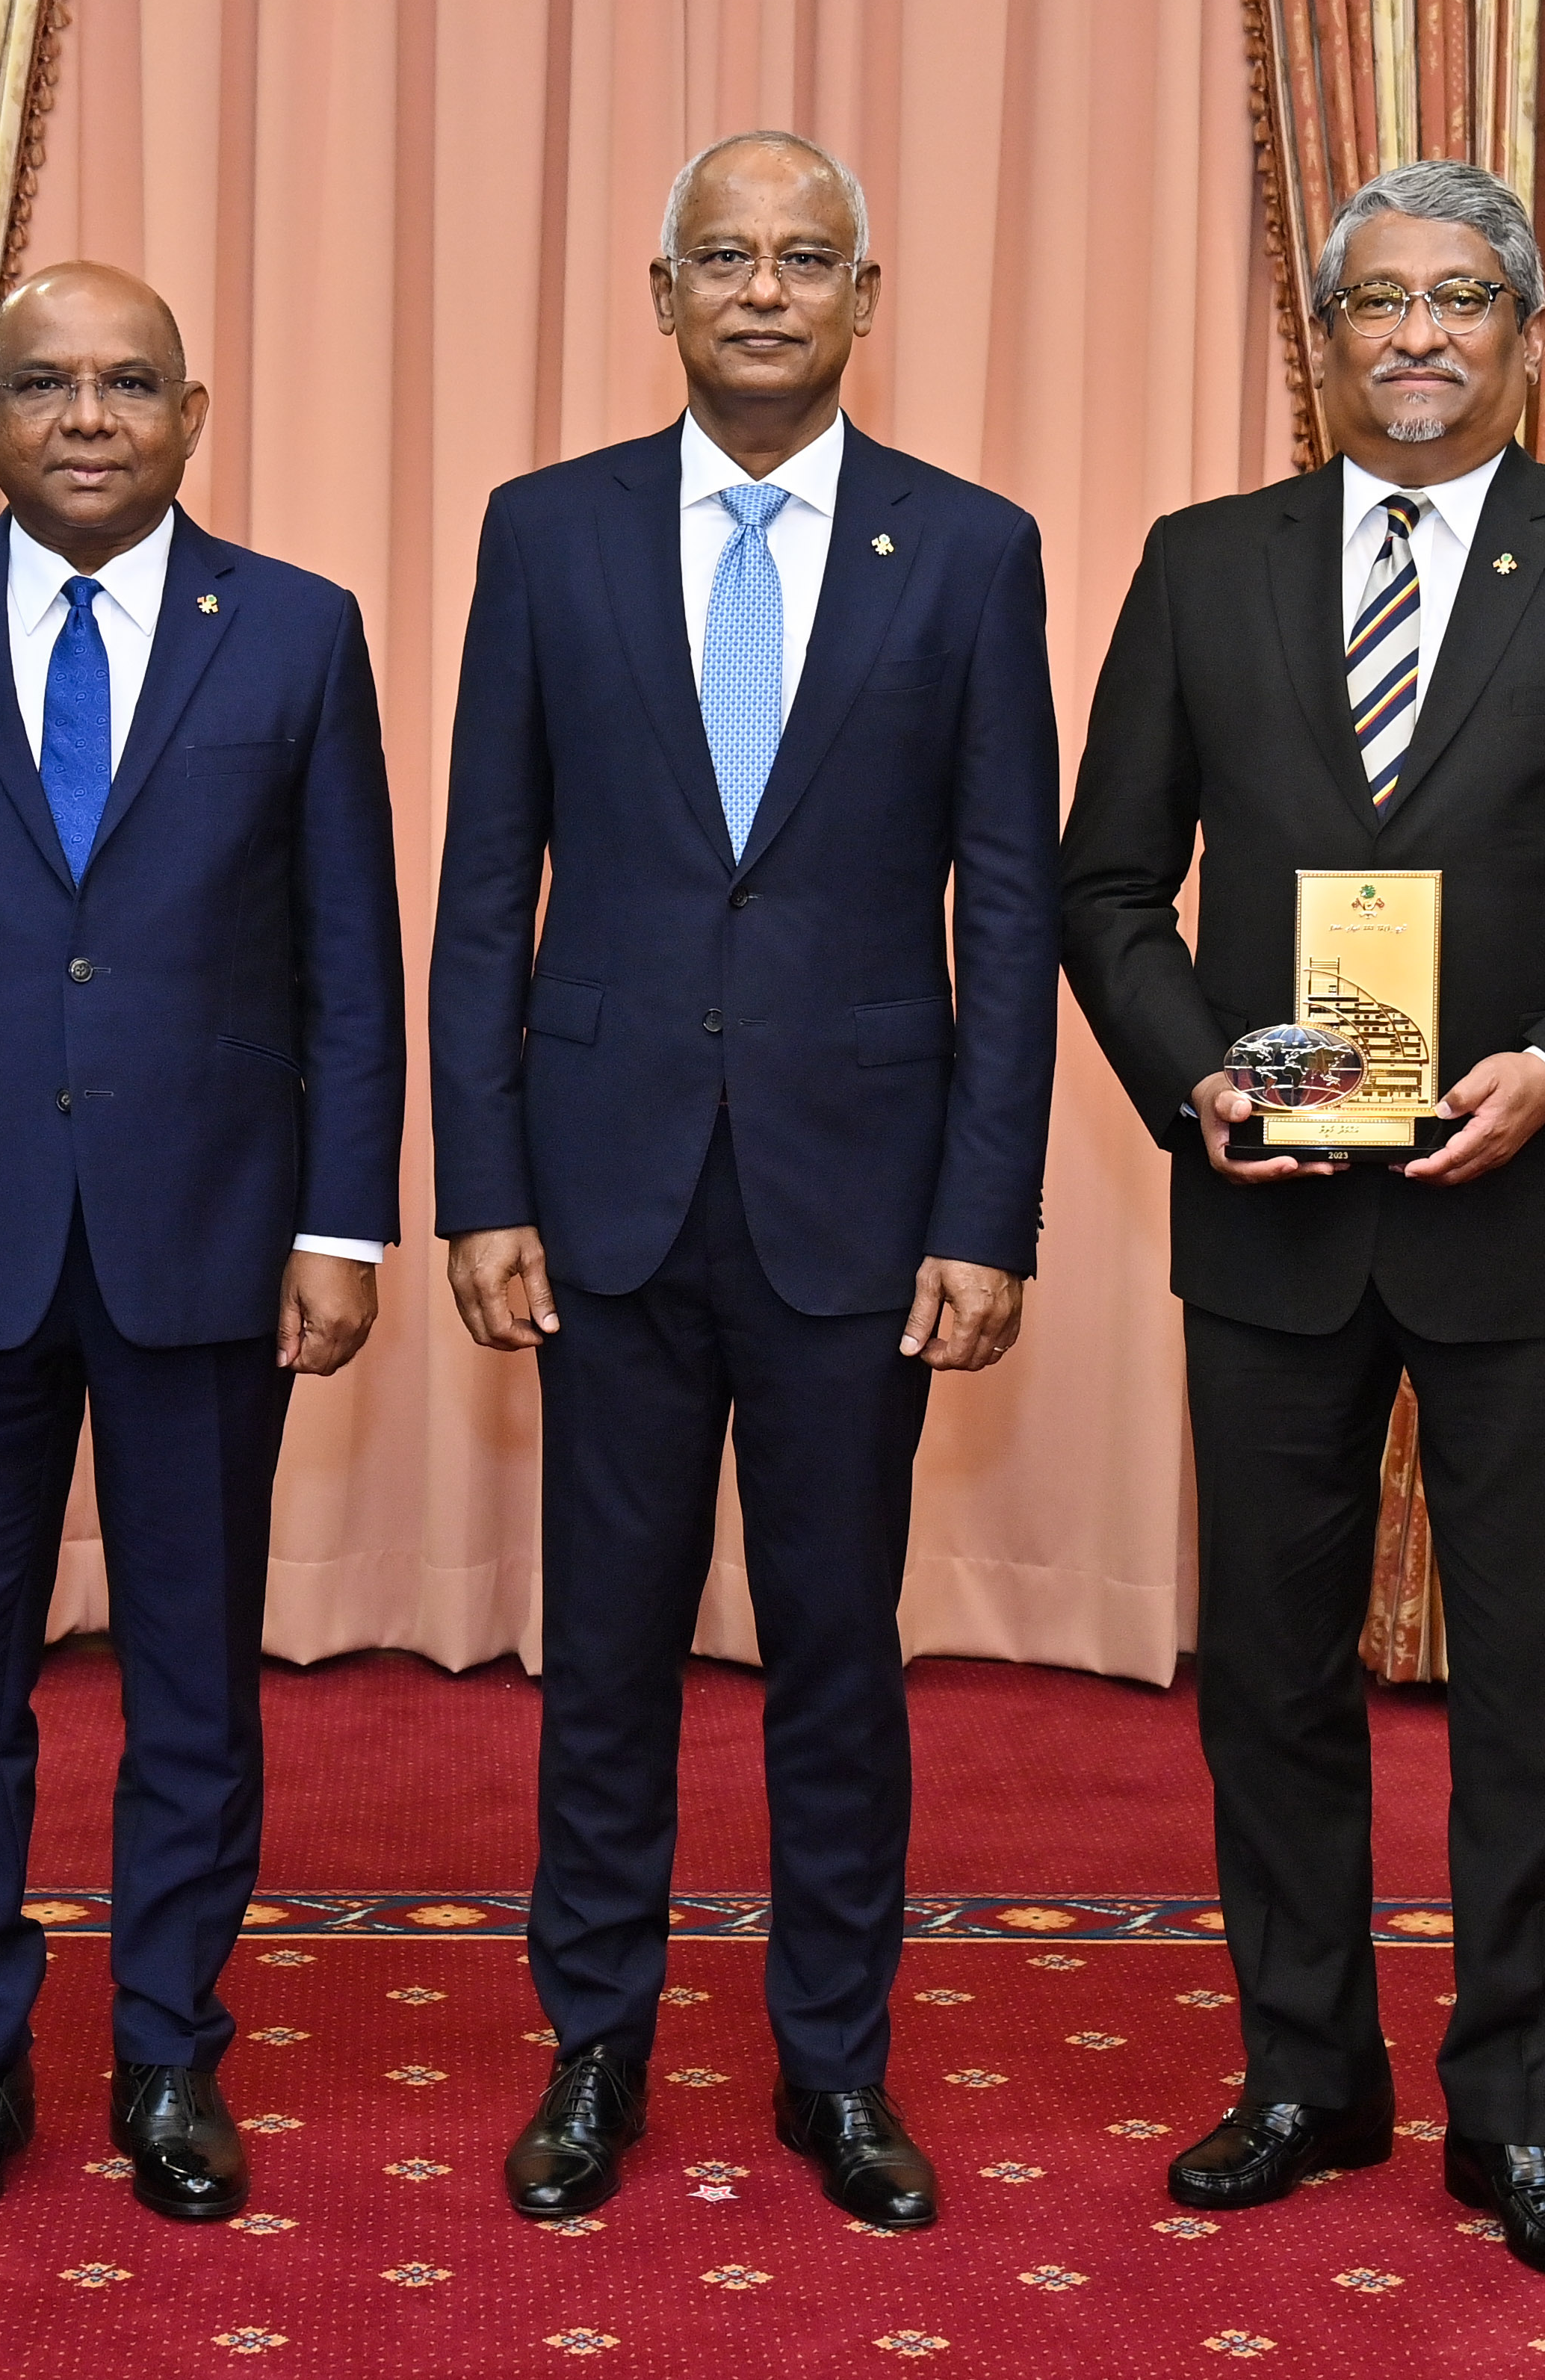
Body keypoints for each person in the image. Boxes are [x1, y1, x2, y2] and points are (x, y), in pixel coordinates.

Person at [1059, 159, 1545, 2284]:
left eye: (1459, 297)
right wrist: (1194, 1077)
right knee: (1268, 1683)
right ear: (1321, 336)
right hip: (1272, 1221)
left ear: (1529, 334)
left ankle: (1522, 2118)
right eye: (1374, 299)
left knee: (1533, 1692)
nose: (1414, 333)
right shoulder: (1200, 566)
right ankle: (1304, 2075)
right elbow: (1105, 886)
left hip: (1531, 1222)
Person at [430, 131, 1059, 2231]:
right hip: (599, 1193)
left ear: (864, 298)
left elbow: (1007, 909)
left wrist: (985, 1213)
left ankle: (836, 2067)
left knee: (837, 1660)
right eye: (725, 257)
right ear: (664, 294)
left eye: (804, 259)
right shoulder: (547, 533)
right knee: (602, 1655)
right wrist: (478, 1183)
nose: (763, 290)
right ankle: (594, 2051)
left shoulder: (969, 552)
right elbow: (481, 889)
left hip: (859, 1206)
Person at [0, 263, 405, 2228]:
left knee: (194, 1685)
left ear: (190, 417)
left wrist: (339, 1221)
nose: (87, 417)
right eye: (45, 384)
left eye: (129, 384)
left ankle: (167, 2051)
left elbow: (349, 960)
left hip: (208, 1236)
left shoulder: (296, 632)